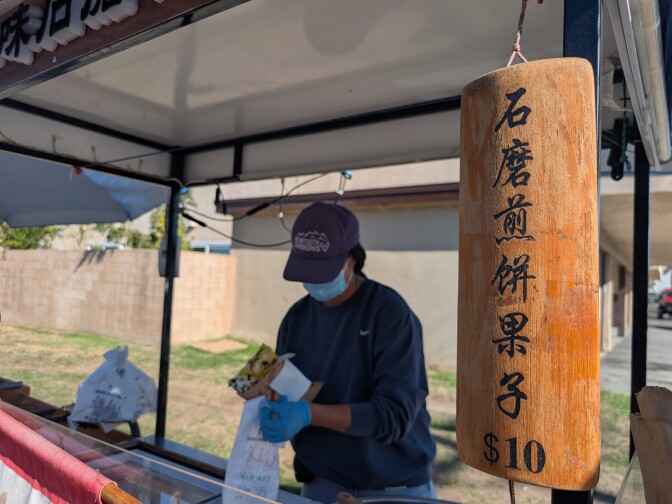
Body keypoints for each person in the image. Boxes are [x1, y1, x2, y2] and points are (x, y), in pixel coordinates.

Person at [260, 202, 437, 503]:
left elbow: (393, 416)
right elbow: (283, 381)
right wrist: (268, 397)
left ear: (352, 259)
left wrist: (307, 414)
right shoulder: (295, 318)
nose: (315, 280)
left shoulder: (390, 314)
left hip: (392, 487)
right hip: (322, 482)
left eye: (323, 270)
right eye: (308, 270)